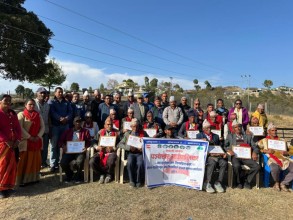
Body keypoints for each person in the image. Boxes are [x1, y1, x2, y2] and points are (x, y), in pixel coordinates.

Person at [17, 99, 45, 186]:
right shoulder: (21, 115)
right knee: (24, 162)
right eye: (30, 104)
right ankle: (23, 180)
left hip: (36, 141)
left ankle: (34, 178)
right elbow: (20, 128)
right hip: (25, 142)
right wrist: (30, 137)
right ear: (25, 105)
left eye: (33, 104)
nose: (32, 106)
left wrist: (38, 136)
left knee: (35, 161)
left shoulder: (38, 115)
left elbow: (42, 127)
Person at [258, 123, 293, 192]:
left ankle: (283, 183)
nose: (274, 132)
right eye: (272, 130)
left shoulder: (282, 140)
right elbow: (257, 148)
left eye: (275, 130)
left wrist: (287, 152)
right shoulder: (264, 141)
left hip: (284, 159)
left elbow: (291, 149)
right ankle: (276, 183)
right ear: (268, 131)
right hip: (271, 159)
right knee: (275, 168)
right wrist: (265, 151)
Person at [225, 121, 260, 189]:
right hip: (235, 156)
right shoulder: (230, 136)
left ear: (241, 128)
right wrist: (229, 150)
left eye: (239, 127)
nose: (238, 128)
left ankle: (247, 180)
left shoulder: (247, 136)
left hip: (246, 157)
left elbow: (255, 147)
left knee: (257, 167)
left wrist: (254, 152)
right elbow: (225, 146)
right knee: (236, 166)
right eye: (236, 127)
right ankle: (239, 182)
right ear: (233, 129)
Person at [196, 120, 227, 193]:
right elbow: (198, 148)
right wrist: (201, 141)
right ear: (203, 129)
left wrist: (223, 153)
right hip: (207, 156)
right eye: (207, 128)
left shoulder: (216, 136)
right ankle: (207, 183)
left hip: (217, 155)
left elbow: (219, 146)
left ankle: (218, 182)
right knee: (212, 162)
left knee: (224, 163)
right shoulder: (199, 136)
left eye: (210, 128)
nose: (209, 129)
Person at [0, 95, 21, 199]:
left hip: (13, 145)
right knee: (2, 166)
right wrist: (6, 141)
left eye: (9, 101)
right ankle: (1, 189)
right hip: (3, 145)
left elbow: (17, 127)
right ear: (0, 101)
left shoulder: (12, 113)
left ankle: (8, 187)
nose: (8, 103)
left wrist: (18, 139)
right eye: (5, 101)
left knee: (12, 166)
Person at [59, 116, 91, 183]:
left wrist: (86, 147)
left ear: (81, 123)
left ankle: (78, 177)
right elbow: (61, 140)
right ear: (73, 122)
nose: (78, 123)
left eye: (79, 122)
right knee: (63, 163)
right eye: (76, 122)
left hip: (80, 151)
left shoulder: (86, 131)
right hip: (69, 152)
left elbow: (89, 141)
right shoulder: (68, 131)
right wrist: (63, 146)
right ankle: (70, 175)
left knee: (79, 161)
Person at [118, 118, 148, 188]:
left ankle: (138, 180)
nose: (135, 128)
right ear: (131, 127)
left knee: (140, 163)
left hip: (140, 153)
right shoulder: (127, 134)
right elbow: (120, 144)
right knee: (130, 162)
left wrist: (143, 148)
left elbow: (148, 142)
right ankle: (131, 180)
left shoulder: (144, 133)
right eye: (134, 126)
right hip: (131, 153)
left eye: (137, 126)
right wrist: (129, 148)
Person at [48, 87, 73, 172]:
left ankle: (63, 162)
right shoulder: (51, 102)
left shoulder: (67, 103)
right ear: (55, 93)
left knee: (65, 144)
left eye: (61, 92)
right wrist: (60, 119)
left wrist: (66, 118)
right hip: (55, 126)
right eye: (59, 92)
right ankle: (53, 164)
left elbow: (70, 112)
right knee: (54, 145)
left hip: (65, 126)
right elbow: (52, 112)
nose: (60, 93)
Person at [89, 117, 119, 183]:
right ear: (104, 125)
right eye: (108, 124)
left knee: (111, 160)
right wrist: (97, 147)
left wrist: (113, 148)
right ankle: (101, 174)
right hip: (101, 152)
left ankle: (109, 174)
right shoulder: (100, 132)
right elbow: (93, 141)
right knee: (92, 161)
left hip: (111, 152)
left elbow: (120, 143)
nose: (109, 126)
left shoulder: (117, 132)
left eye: (111, 124)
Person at [34, 87, 50, 168]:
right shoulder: (33, 104)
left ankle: (43, 162)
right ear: (37, 93)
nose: (43, 94)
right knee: (38, 148)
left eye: (44, 93)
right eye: (41, 93)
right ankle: (37, 164)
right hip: (36, 130)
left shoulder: (47, 105)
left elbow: (48, 117)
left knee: (45, 148)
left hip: (46, 130)